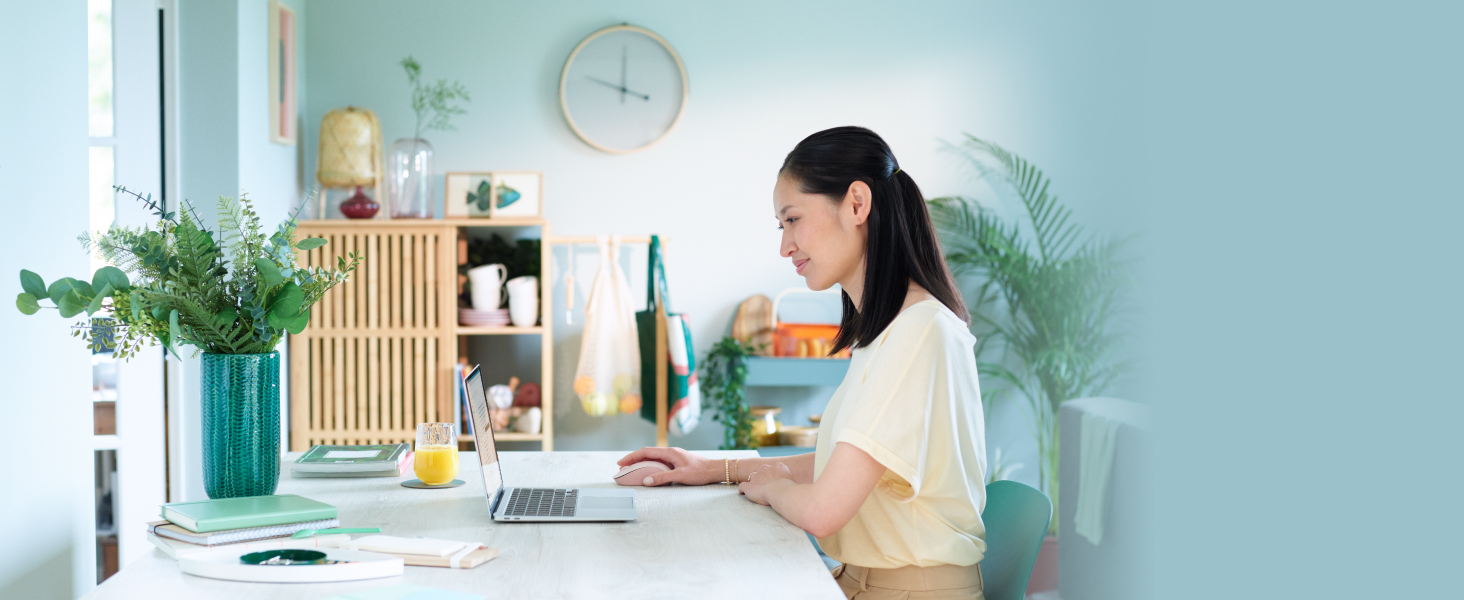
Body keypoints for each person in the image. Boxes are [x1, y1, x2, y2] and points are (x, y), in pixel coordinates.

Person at [617, 126, 989, 599]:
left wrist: (773, 486)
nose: (785, 245)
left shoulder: (919, 331)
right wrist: (710, 469)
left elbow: (822, 510)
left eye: (792, 219)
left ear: (857, 204)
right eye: (781, 225)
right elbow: (841, 468)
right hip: (866, 583)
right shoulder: (897, 329)